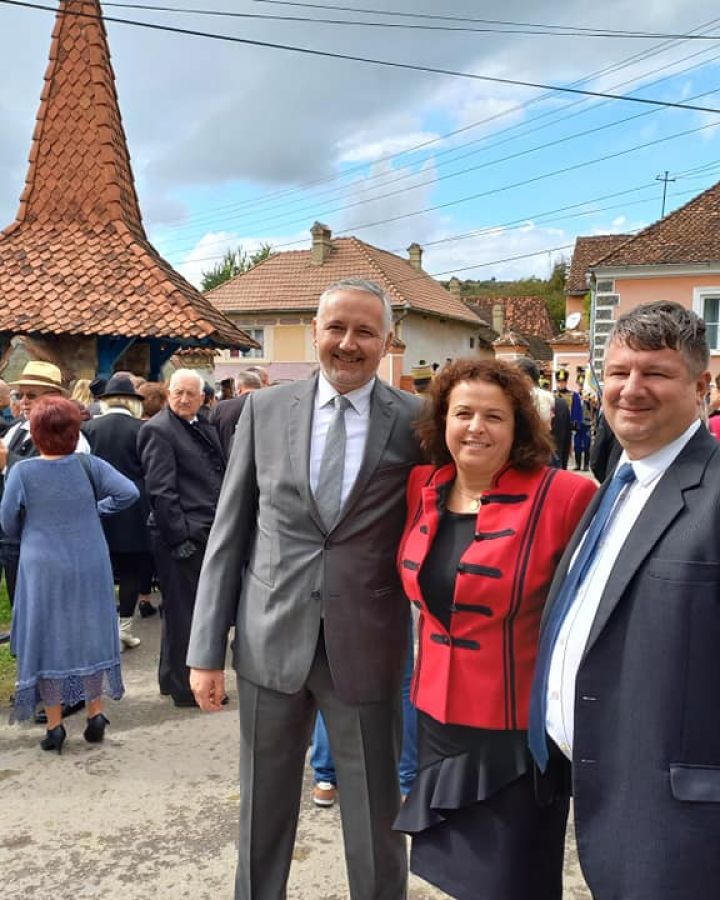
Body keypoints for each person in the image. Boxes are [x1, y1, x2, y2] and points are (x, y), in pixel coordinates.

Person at [187, 277, 423, 900]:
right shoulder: (263, 412)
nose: (348, 343)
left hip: (368, 648)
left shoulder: (417, 421)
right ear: (315, 332)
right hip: (270, 642)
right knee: (261, 813)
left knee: (376, 820)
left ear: (387, 340)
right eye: (337, 329)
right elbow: (228, 534)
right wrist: (206, 650)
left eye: (365, 331)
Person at [528, 300, 720, 900]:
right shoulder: (619, 476)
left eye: (656, 373)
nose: (630, 389)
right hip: (588, 781)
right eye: (617, 372)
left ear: (702, 387)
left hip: (677, 817)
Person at [392, 359, 595, 900]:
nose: (476, 427)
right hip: (437, 718)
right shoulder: (421, 485)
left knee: (514, 880)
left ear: (519, 427)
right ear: (443, 423)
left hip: (517, 730)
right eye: (463, 413)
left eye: (494, 416)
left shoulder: (566, 496)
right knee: (457, 875)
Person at [0, 396, 138, 752]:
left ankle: (56, 724)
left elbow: (7, 523)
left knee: (47, 636)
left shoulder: (22, 472)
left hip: (42, 562)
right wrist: (96, 510)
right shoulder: (88, 465)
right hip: (89, 558)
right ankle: (95, 714)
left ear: (35, 432)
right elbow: (129, 493)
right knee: (90, 630)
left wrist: (33, 531)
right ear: (75, 432)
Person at [138, 369, 226, 708]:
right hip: (180, 534)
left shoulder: (200, 424)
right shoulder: (158, 430)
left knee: (186, 610)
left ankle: (170, 677)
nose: (184, 399)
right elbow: (161, 492)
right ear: (167, 393)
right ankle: (183, 687)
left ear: (202, 397)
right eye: (178, 392)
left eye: (191, 393)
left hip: (202, 530)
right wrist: (179, 539)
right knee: (183, 612)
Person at [1, 362, 90, 609]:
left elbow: (59, 483)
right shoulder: (16, 431)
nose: (24, 401)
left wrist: (7, 463)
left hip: (49, 542)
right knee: (21, 609)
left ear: (53, 398)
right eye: (20, 395)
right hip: (15, 539)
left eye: (32, 395)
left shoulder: (72, 437)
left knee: (47, 611)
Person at [83, 375, 153, 647]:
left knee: (99, 569)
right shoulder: (142, 428)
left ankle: (100, 628)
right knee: (130, 570)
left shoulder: (88, 428)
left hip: (99, 502)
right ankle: (124, 626)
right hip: (134, 505)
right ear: (132, 402)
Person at [209, 370, 263, 458]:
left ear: (238, 389)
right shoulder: (272, 407)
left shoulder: (221, 408)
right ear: (260, 387)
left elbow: (210, 439)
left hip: (228, 466)